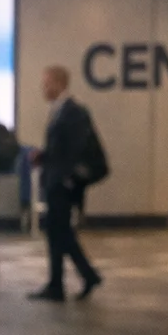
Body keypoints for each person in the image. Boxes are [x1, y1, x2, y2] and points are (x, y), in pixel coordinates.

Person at [29, 65, 102, 301]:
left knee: (58, 230)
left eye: (46, 82)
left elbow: (76, 148)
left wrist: (66, 177)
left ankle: (60, 283)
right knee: (59, 231)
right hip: (56, 179)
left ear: (59, 83)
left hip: (62, 183)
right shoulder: (59, 110)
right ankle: (79, 277)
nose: (43, 87)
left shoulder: (73, 111)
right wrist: (44, 155)